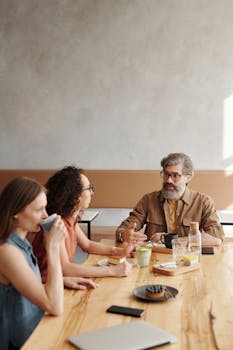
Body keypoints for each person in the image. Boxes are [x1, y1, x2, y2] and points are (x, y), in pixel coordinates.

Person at [32, 166, 134, 283]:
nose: (92, 193)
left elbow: (87, 245)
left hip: (60, 283)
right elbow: (66, 268)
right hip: (45, 289)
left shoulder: (69, 218)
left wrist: (121, 251)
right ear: (75, 195)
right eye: (89, 188)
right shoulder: (56, 225)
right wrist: (113, 271)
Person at [0, 177, 68, 349]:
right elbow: (54, 306)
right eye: (39, 210)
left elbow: (23, 288)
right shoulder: (7, 251)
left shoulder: (21, 244)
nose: (45, 215)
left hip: (36, 333)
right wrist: (52, 247)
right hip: (22, 343)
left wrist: (61, 281)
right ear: (16, 212)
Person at [116, 153, 224, 246]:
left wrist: (170, 240)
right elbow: (123, 229)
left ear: (188, 177)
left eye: (175, 175)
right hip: (155, 260)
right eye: (166, 174)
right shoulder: (149, 200)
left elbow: (216, 238)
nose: (168, 180)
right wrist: (124, 234)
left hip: (188, 259)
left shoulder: (203, 202)